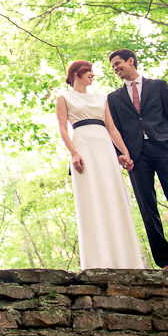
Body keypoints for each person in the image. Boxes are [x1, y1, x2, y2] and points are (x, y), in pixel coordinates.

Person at [106, 49, 168, 272]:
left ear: (131, 60)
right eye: (113, 66)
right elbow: (115, 130)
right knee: (147, 207)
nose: (115, 68)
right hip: (136, 157)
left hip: (164, 148)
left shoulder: (159, 86)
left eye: (117, 63)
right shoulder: (113, 98)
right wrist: (120, 155)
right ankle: (165, 261)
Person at [56, 60, 144, 269]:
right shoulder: (64, 98)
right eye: (90, 72)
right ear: (78, 73)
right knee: (91, 198)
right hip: (83, 146)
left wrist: (125, 153)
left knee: (113, 196)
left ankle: (126, 260)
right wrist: (74, 153)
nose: (93, 75)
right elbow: (62, 129)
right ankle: (98, 261)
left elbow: (112, 129)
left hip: (104, 147)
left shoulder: (101, 98)